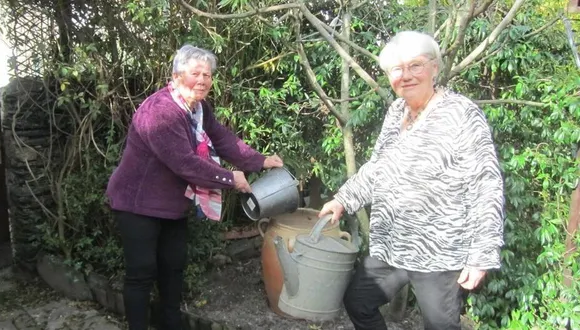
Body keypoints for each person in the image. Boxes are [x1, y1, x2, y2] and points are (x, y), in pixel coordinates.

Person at [318, 31, 505, 330]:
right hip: (392, 245)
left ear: (434, 67)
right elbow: (379, 166)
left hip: (440, 252)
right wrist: (343, 199)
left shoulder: (461, 114)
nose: (405, 76)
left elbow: (486, 184)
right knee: (358, 302)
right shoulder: (396, 112)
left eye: (415, 65)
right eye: (396, 69)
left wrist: (481, 254)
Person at [106, 44, 283, 330]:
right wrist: (230, 178)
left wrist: (260, 160)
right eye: (195, 73)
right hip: (136, 204)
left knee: (173, 269)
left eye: (208, 74)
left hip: (171, 205)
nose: (202, 79)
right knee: (141, 272)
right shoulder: (161, 111)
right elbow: (185, 164)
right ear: (176, 76)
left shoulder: (198, 108)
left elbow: (223, 139)